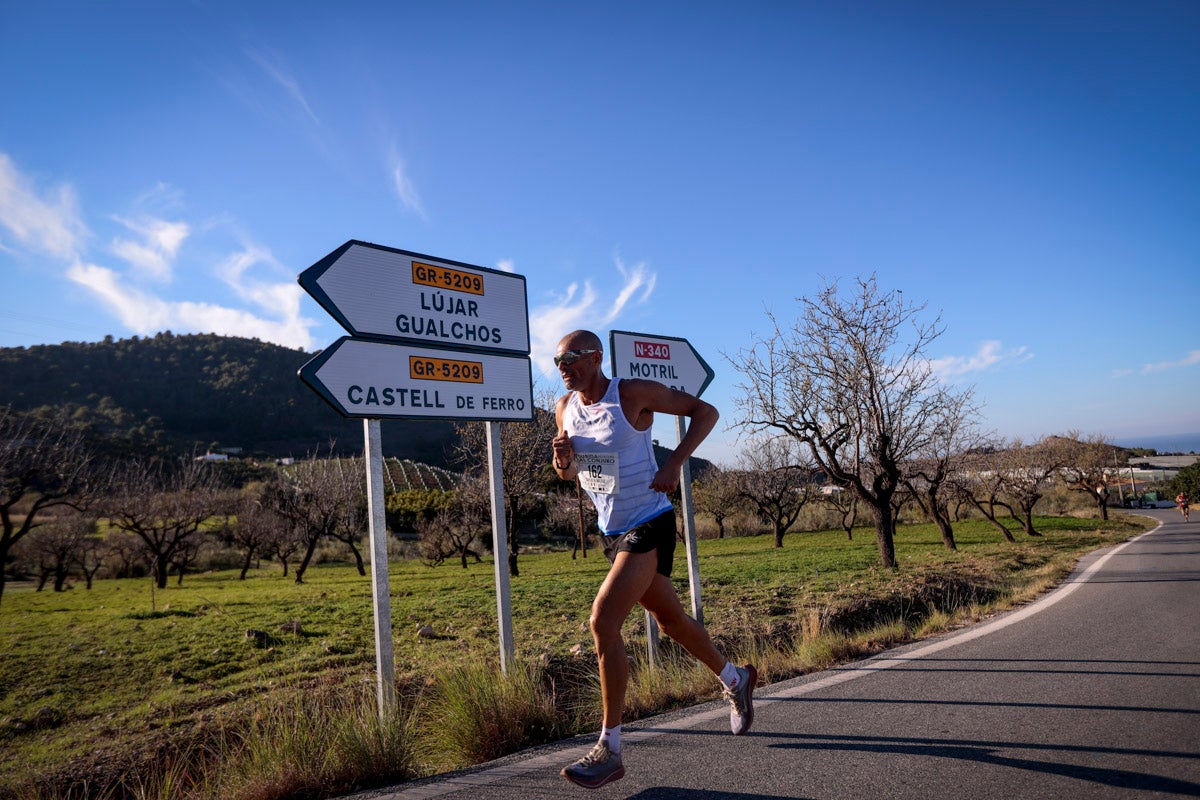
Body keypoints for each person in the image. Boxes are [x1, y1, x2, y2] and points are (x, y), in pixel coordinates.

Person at [551, 329, 757, 789]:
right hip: (612, 531)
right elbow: (567, 473)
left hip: (649, 521)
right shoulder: (565, 408)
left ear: (596, 358)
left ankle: (610, 748)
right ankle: (735, 678)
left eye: (572, 358)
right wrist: (562, 459)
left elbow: (706, 412)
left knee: (603, 621)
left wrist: (675, 462)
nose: (564, 367)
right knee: (671, 621)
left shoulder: (632, 393)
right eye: (558, 361)